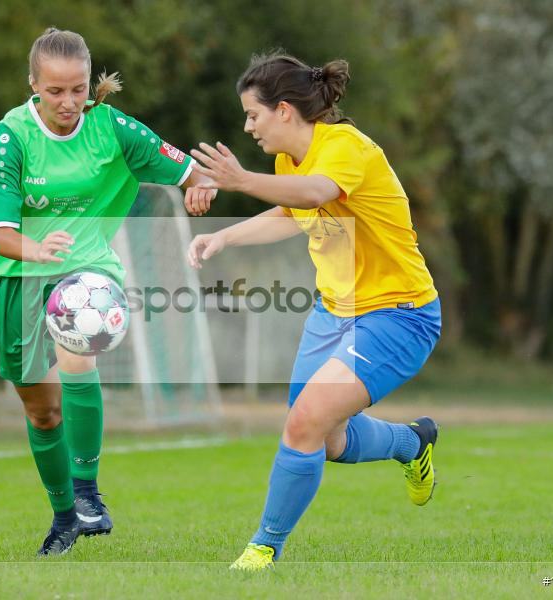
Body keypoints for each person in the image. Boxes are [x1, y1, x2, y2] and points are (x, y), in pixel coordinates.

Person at [187, 53, 441, 570]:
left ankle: (263, 548)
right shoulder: (289, 162)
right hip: (334, 314)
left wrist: (240, 180)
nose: (247, 126)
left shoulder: (345, 146)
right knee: (326, 439)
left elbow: (318, 192)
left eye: (252, 115)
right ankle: (412, 443)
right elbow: (292, 210)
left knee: (303, 423)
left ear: (284, 111)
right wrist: (224, 237)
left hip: (399, 315)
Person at [0, 27, 215, 556]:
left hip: (87, 272)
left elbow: (192, 171)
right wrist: (34, 250)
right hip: (15, 278)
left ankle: (88, 494)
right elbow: (1, 235)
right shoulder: (10, 136)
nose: (68, 102)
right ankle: (65, 517)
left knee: (78, 345)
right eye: (55, 91)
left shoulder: (112, 129)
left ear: (91, 85)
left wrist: (201, 184)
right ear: (33, 84)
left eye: (79, 90)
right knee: (41, 411)